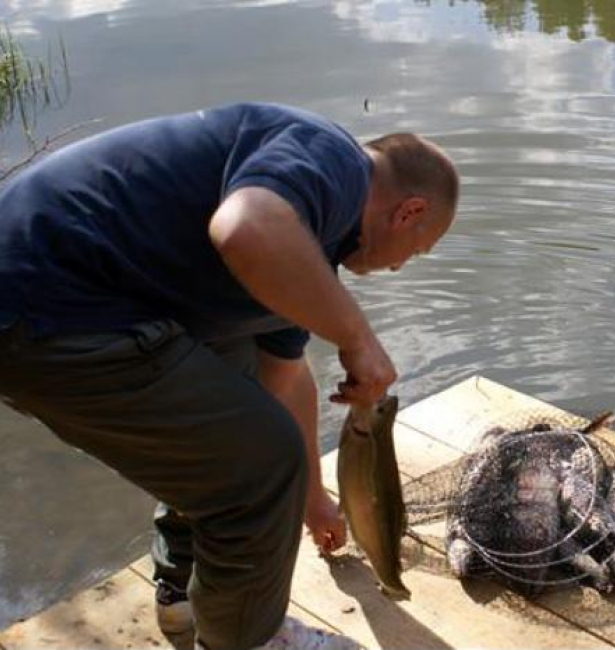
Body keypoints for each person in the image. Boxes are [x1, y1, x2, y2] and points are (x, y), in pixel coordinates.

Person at [0, 103, 459, 650]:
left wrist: (313, 499)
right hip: (51, 301)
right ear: (409, 211)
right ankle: (249, 642)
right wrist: (358, 337)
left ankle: (181, 595)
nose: (401, 267)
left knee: (235, 385)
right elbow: (245, 227)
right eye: (418, 250)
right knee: (260, 468)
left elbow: (285, 378)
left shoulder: (304, 238)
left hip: (51, 297)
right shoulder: (335, 161)